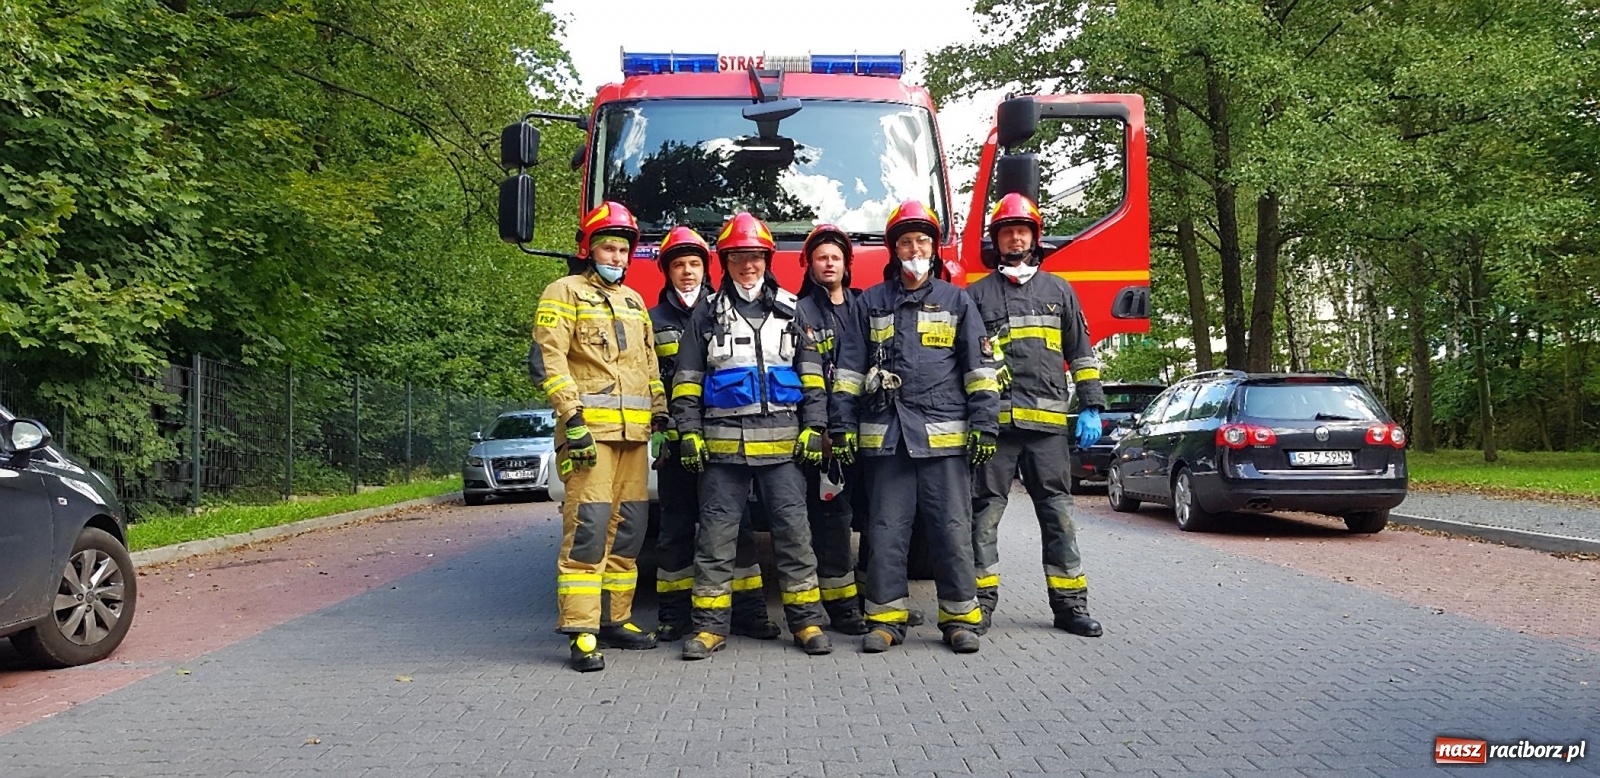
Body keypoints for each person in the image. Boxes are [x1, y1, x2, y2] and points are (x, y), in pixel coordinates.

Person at [829, 200, 999, 654]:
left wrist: (985, 426)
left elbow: (979, 369)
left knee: (951, 530)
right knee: (885, 530)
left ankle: (960, 621)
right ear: (893, 249)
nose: (914, 247)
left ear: (933, 248)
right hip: (887, 439)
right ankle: (885, 621)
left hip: (943, 442)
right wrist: (841, 426)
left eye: (922, 240)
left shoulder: (956, 300)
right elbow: (847, 370)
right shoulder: (871, 303)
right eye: (905, 241)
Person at [670, 212, 831, 660]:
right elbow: (686, 380)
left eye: (755, 257)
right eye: (739, 258)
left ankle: (807, 623)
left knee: (796, 538)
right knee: (715, 542)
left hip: (783, 449)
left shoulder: (792, 309)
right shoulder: (705, 314)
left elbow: (813, 376)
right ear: (726, 262)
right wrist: (689, 433)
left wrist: (815, 427)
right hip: (723, 451)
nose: (748, 266)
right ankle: (708, 628)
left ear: (767, 259)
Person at [528, 201, 665, 672]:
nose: (618, 257)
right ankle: (582, 632)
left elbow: (648, 365)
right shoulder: (561, 292)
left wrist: (661, 417)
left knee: (629, 531)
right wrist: (573, 419)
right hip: (589, 433)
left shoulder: (633, 301)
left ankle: (617, 620)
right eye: (609, 247)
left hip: (634, 435)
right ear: (590, 249)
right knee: (588, 530)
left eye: (624, 250)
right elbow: (550, 360)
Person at [967, 192, 1106, 637]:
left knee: (1059, 517)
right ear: (997, 240)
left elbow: (1080, 353)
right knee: (983, 518)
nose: (1014, 238)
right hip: (997, 428)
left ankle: (1070, 607)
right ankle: (979, 605)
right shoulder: (975, 295)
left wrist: (1093, 405)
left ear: (1034, 238)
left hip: (1047, 428)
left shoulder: (1059, 291)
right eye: (1007, 231)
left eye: (1021, 231)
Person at [649, 225, 780, 643]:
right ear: (666, 272)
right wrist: (666, 430)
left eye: (693, 264)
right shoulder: (652, 321)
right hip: (676, 442)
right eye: (678, 265)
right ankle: (674, 614)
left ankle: (749, 613)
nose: (687, 272)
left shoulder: (720, 311)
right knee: (674, 526)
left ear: (707, 269)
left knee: (733, 527)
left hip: (722, 442)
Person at [792, 225, 869, 636]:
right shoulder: (800, 311)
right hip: (828, 436)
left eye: (835, 257)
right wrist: (819, 428)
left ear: (846, 264)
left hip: (869, 428)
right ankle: (841, 607)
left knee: (877, 515)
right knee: (834, 518)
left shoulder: (863, 305)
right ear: (810, 264)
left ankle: (877, 599)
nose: (829, 263)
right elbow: (806, 377)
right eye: (822, 257)